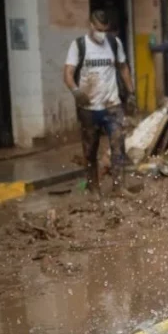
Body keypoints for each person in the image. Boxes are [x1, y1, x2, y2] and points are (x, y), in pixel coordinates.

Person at [64, 10, 136, 196]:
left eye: (105, 30)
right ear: (90, 25)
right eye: (98, 29)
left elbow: (123, 67)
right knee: (90, 150)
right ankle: (93, 187)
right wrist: (76, 91)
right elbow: (68, 73)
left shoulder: (114, 43)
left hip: (112, 104)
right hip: (89, 108)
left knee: (118, 144)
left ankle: (119, 186)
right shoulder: (79, 45)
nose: (101, 33)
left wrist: (131, 93)